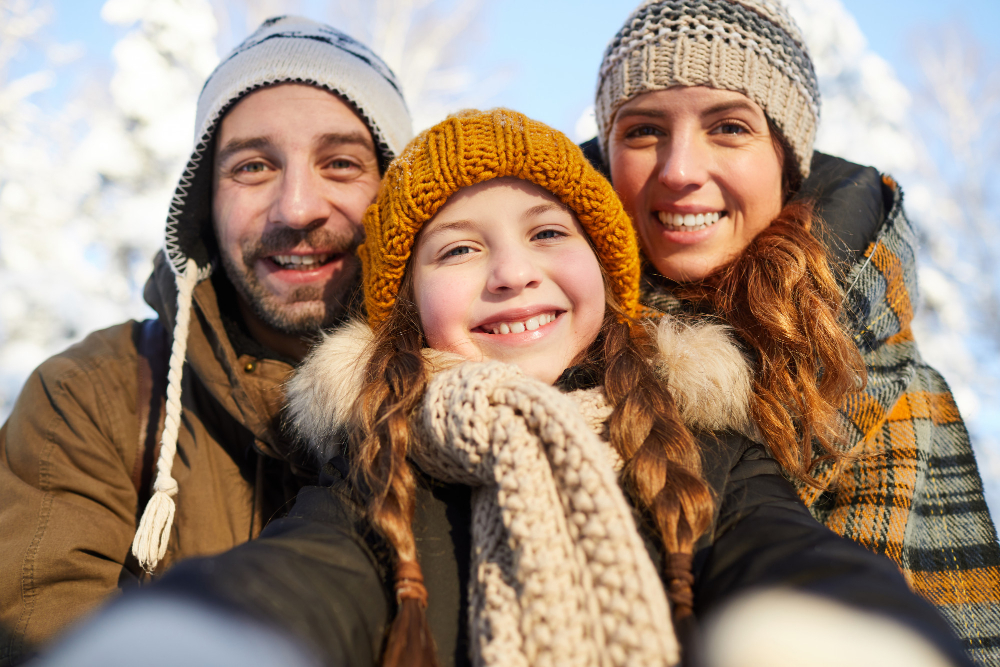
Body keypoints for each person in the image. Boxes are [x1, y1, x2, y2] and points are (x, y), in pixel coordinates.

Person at [51, 108, 969, 667]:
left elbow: (787, 553)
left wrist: (840, 630)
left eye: (548, 234)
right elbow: (304, 578)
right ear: (407, 307)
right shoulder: (385, 468)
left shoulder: (699, 447)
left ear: (608, 275)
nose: (511, 274)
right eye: (458, 249)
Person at [582, 0, 1000, 661]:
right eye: (642, 131)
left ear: (786, 159)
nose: (681, 169)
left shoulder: (888, 385)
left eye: (728, 126)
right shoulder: (540, 333)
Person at [0, 16, 413, 665]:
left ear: (398, 193)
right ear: (202, 205)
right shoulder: (92, 397)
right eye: (253, 166)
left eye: (340, 163)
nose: (297, 206)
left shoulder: (461, 394)